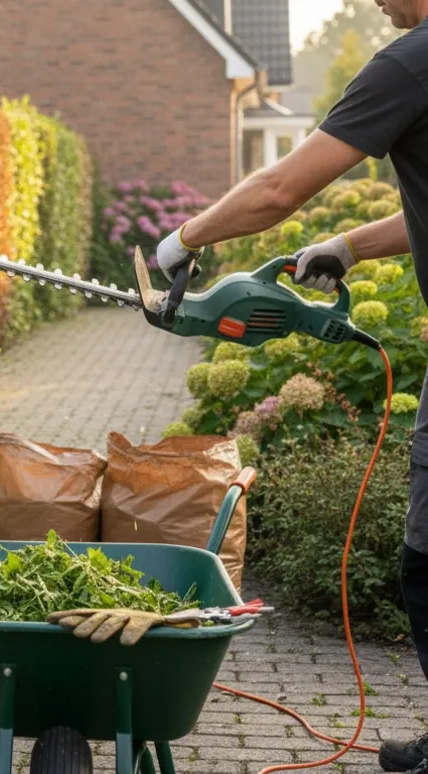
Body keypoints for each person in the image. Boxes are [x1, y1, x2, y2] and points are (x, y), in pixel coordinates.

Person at [153, 2, 428, 771]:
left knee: (426, 558)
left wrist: (183, 239)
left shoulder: (411, 61)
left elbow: (279, 190)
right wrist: (350, 244)